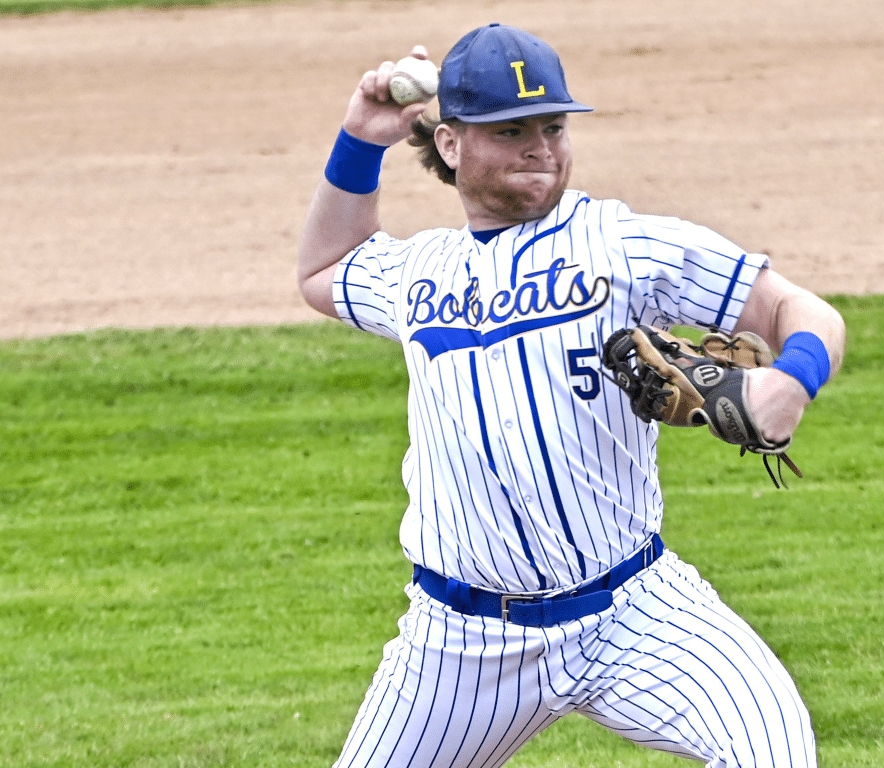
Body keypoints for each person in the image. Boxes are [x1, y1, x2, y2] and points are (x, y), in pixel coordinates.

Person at [298, 22, 845, 768]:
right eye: (511, 130)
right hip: (461, 644)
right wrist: (361, 140)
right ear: (450, 144)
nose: (540, 148)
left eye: (552, 127)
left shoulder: (625, 245)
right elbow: (324, 269)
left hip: (636, 611)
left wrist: (792, 380)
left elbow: (799, 311)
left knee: (776, 753)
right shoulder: (417, 273)